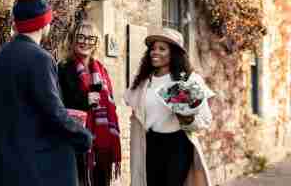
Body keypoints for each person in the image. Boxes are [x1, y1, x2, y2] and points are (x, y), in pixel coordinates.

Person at [0, 0, 93, 186]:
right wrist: (82, 136)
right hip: (31, 168)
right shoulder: (40, 59)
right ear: (44, 25)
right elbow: (53, 111)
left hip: (1, 166)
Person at [124, 27, 215, 186]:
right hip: (150, 143)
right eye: (153, 48)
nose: (155, 52)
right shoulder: (143, 81)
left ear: (173, 53)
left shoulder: (187, 80)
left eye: (162, 49)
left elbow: (205, 119)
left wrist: (187, 118)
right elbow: (136, 113)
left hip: (178, 144)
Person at [58, 21, 121, 186]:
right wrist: (84, 101)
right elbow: (59, 103)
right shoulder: (64, 69)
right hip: (77, 140)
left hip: (101, 144)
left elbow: (110, 104)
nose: (85, 42)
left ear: (95, 43)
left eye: (90, 38)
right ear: (72, 40)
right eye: (80, 37)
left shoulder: (101, 70)